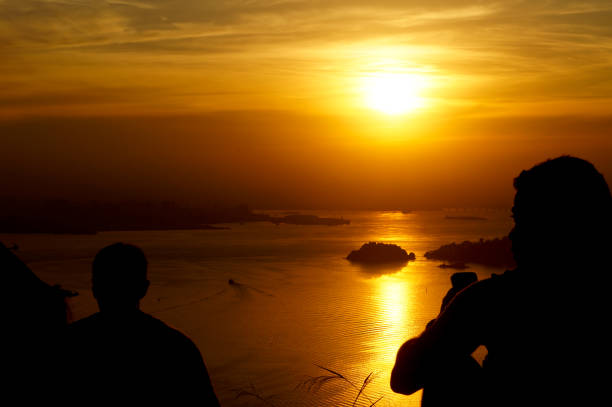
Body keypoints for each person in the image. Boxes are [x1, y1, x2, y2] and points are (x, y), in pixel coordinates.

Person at [390, 156, 612, 406]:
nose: (513, 236)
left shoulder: (495, 299)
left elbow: (404, 379)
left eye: (524, 222)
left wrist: (444, 317)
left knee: (444, 368)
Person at [64, 243, 220, 405]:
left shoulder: (69, 344)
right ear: (144, 289)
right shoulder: (176, 348)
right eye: (112, 283)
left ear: (94, 288)